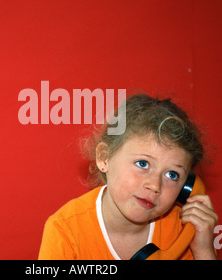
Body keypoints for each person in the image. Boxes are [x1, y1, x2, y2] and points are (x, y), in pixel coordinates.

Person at [38, 93, 218, 260]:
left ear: (187, 184)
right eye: (142, 164)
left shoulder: (182, 230)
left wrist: (203, 251)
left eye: (172, 175)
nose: (155, 186)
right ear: (104, 158)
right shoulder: (65, 231)